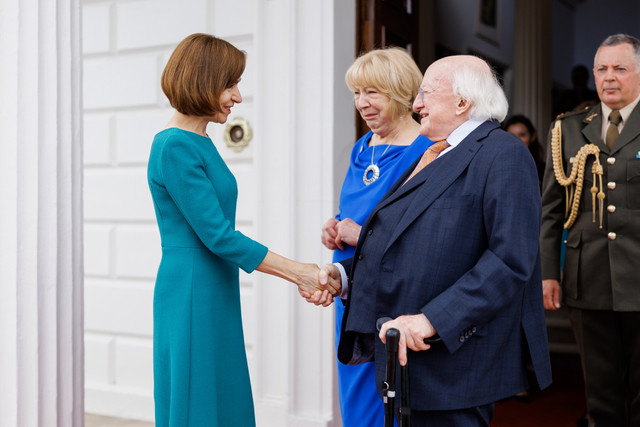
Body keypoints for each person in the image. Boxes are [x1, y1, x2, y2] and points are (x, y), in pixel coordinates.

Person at [311, 55, 552, 426]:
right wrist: (344, 277)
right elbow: (402, 244)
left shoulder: (504, 153)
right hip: (410, 359)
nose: (417, 103)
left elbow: (509, 261)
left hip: (452, 360)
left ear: (462, 102)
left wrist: (431, 320)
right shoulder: (434, 152)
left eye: (426, 93)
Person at [147, 33, 335, 427]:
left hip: (213, 282)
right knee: (198, 400)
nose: (237, 96)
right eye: (230, 84)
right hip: (193, 288)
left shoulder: (199, 141)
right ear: (203, 81)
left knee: (220, 393)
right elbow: (217, 236)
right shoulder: (174, 146)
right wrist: (298, 271)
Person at [320, 47, 432, 427]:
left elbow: (424, 232)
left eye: (373, 93)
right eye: (357, 93)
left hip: (393, 297)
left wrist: (361, 233)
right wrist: (335, 227)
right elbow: (354, 212)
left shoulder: (426, 151)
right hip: (351, 294)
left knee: (391, 399)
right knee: (355, 394)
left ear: (400, 92)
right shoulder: (361, 147)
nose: (362, 104)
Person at [540, 33, 640, 427]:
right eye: (602, 68)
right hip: (588, 276)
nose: (609, 77)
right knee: (600, 392)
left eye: (620, 68)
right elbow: (550, 208)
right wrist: (549, 271)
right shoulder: (568, 128)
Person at [503, 114, 545, 188]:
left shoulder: (543, 171)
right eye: (511, 136)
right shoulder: (499, 168)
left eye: (522, 135)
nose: (517, 140)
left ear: (532, 137)